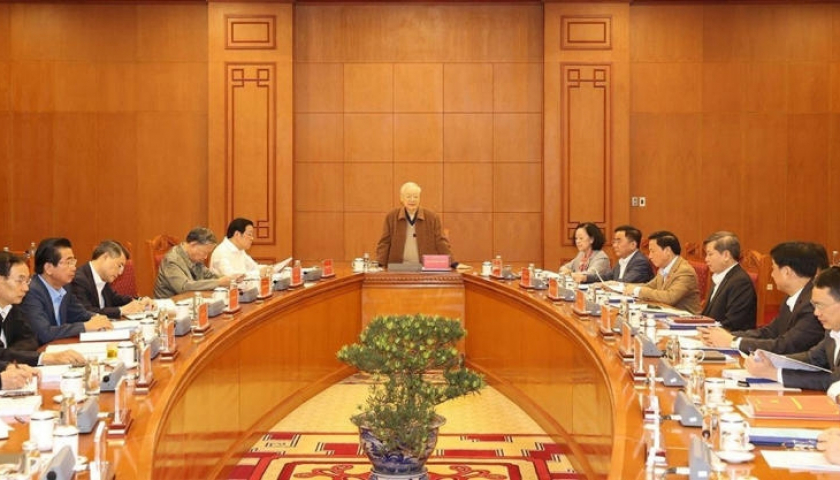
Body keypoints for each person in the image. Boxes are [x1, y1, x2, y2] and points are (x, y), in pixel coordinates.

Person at [701, 242, 825, 354]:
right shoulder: (793, 297)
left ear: (786, 272)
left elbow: (786, 345)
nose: (772, 274)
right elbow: (770, 332)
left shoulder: (813, 304)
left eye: (773, 268)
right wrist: (727, 335)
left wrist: (733, 341)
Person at [745, 266, 840, 394]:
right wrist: (772, 360)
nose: (816, 313)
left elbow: (834, 380)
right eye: (814, 305)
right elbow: (812, 359)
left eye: (821, 305)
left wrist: (774, 373)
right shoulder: (832, 330)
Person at [0, 252, 85, 374]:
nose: (26, 288)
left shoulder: (12, 308)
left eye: (27, 281)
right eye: (20, 280)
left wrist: (8, 354)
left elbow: (31, 340)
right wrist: (43, 358)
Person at [19, 238, 113, 345]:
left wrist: (98, 318)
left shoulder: (65, 287)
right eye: (68, 262)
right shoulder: (31, 292)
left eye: (73, 262)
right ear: (48, 268)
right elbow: (44, 333)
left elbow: (80, 314)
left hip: (60, 346)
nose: (74, 268)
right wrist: (84, 326)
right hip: (40, 351)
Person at [375, 182, 453, 268]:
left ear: (419, 198)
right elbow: (385, 242)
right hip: (398, 267)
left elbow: (441, 242)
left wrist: (452, 262)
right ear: (401, 198)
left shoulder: (432, 217)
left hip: (425, 267)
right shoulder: (391, 216)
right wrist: (379, 263)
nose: (412, 200)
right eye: (408, 196)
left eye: (416, 197)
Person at [622, 231, 702, 314]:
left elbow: (670, 297)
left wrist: (638, 291)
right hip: (667, 315)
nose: (650, 256)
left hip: (686, 319)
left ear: (667, 251)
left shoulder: (684, 271)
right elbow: (649, 286)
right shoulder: (663, 268)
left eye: (653, 251)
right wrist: (625, 287)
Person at [68, 240, 151, 319]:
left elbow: (116, 299)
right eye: (119, 265)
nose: (120, 272)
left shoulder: (103, 278)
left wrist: (140, 301)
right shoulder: (79, 279)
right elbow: (85, 312)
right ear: (105, 257)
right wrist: (121, 310)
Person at [154, 227, 237, 298]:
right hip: (169, 306)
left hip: (190, 300)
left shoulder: (194, 257)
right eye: (204, 252)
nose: (205, 257)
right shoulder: (171, 260)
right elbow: (184, 287)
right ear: (193, 245)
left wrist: (230, 279)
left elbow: (208, 275)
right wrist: (218, 282)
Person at [698, 231, 756, 331]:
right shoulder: (720, 276)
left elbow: (733, 324)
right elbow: (707, 315)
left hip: (727, 337)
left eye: (710, 254)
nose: (706, 259)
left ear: (726, 255)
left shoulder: (740, 282)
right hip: (712, 333)